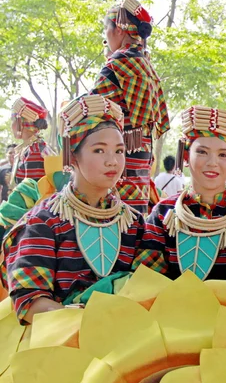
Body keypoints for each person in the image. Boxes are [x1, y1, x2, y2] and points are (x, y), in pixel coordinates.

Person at [1, 95, 145, 324]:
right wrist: (85, 322)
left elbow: (149, 289)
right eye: (99, 150)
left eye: (119, 151)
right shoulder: (44, 221)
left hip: (127, 342)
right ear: (72, 155)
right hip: (59, 345)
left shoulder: (134, 223)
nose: (113, 161)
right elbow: (30, 300)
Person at [134, 106, 226, 281]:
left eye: (223, 155)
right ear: (186, 157)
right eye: (202, 152)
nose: (212, 163)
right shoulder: (164, 212)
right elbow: (147, 276)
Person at [92, 0, 169, 214]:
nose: (105, 38)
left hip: (114, 163)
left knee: (109, 223)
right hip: (141, 168)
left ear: (119, 30)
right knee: (134, 226)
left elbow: (89, 109)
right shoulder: (146, 65)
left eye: (106, 30)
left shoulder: (117, 64)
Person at [9, 98, 54, 187]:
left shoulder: (34, 152)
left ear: (20, 123)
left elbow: (30, 195)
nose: (11, 126)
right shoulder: (31, 148)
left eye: (12, 121)